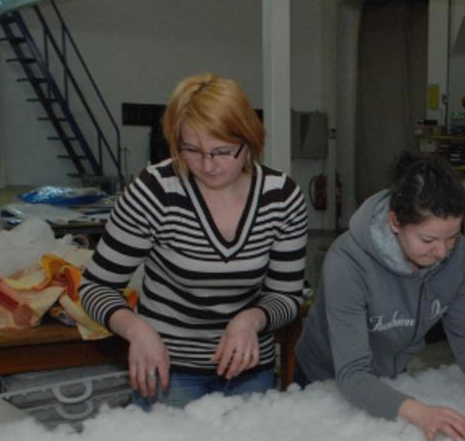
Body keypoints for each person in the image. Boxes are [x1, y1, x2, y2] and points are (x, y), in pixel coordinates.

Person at [80, 73, 307, 408]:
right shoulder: (155, 190)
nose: (208, 165)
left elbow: (286, 295)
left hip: (248, 369)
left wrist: (251, 319)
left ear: (250, 141)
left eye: (223, 151)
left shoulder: (281, 197)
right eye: (192, 150)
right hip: (169, 370)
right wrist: (136, 330)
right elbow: (95, 288)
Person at [296, 152, 465, 441]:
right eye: (428, 240)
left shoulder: (460, 258)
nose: (442, 252)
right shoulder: (347, 264)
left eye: (452, 237)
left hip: (390, 377)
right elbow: (352, 374)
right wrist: (421, 413)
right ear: (395, 222)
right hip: (326, 380)